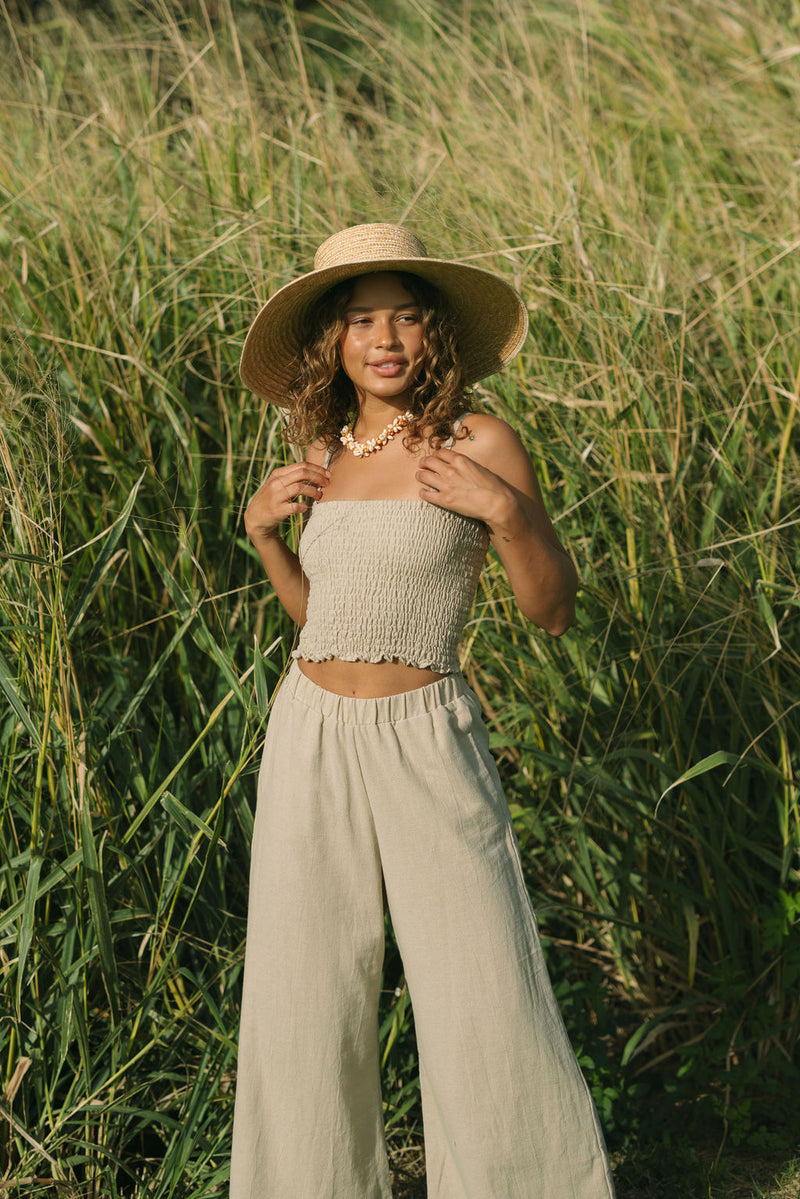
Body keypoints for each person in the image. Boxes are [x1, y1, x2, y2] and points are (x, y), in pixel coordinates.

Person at [231, 223, 616, 1198]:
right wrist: (265, 537)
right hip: (309, 730)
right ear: (334, 339)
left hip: (423, 733)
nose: (385, 336)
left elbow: (552, 607)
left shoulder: (476, 442)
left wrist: (505, 512)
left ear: (433, 329)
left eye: (404, 313)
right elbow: (326, 619)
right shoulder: (319, 448)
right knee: (302, 990)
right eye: (361, 318)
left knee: (482, 988)